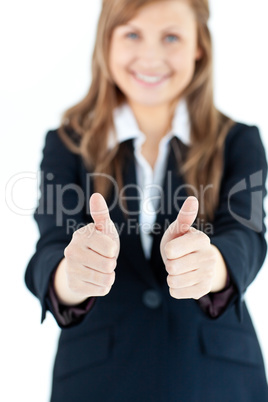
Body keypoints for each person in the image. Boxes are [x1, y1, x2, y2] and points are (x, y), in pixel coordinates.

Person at [25, 0, 268, 401]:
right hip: (98, 380)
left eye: (171, 36)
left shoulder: (238, 142)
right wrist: (72, 275)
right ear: (107, 42)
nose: (151, 56)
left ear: (198, 47)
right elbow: (50, 247)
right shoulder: (67, 145)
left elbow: (246, 234)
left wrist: (214, 267)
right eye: (133, 34)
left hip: (215, 379)